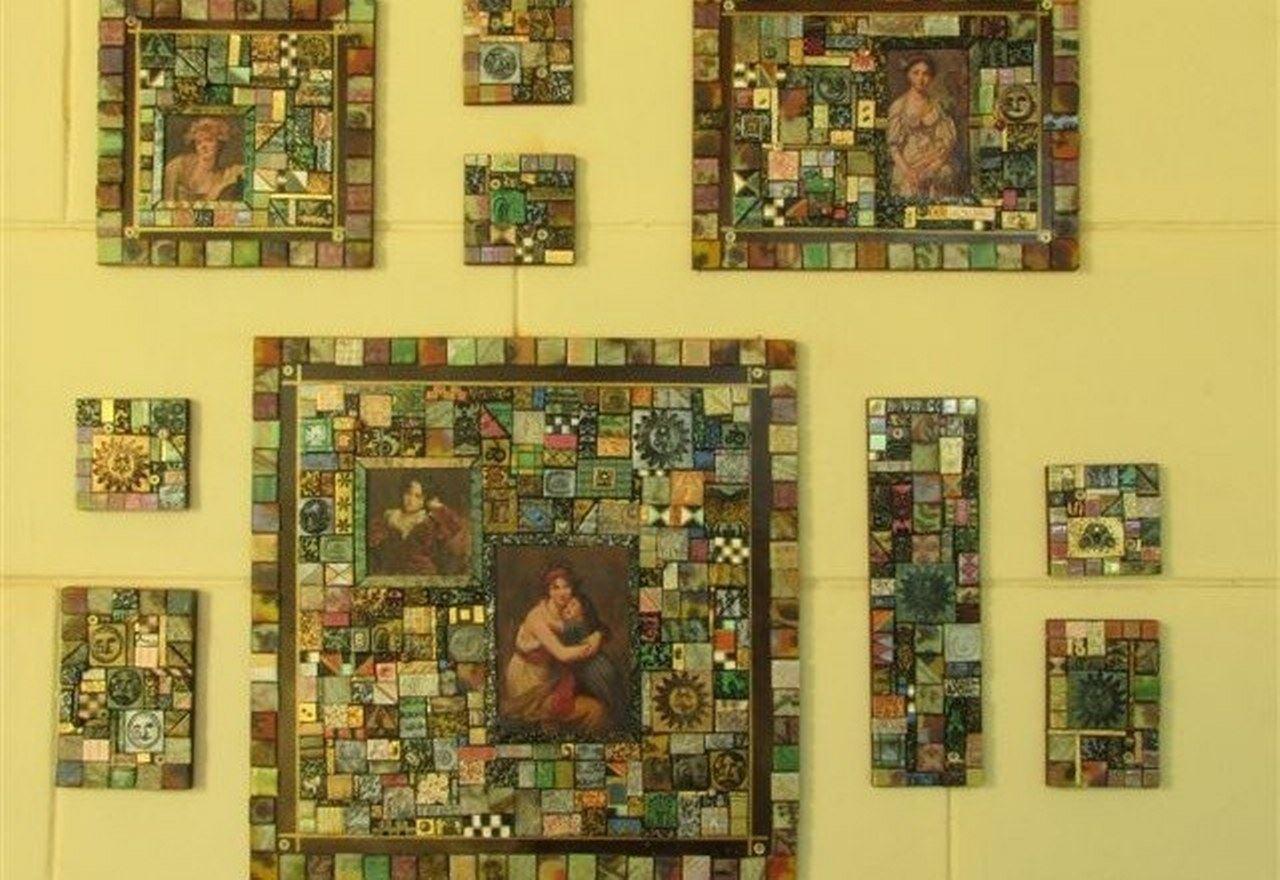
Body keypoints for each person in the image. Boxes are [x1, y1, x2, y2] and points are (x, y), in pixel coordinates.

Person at [502, 565, 609, 735]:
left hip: (551, 675)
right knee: (595, 710)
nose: (562, 593)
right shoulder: (537, 617)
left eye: (566, 586)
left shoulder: (569, 609)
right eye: (555, 587)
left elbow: (593, 624)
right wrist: (592, 646)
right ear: (548, 591)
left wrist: (598, 634)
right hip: (530, 682)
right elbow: (562, 654)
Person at [887, 55, 960, 200]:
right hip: (908, 165)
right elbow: (894, 147)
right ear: (908, 75)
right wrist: (908, 172)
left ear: (931, 77)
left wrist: (931, 168)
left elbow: (947, 144)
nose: (921, 79)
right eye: (916, 73)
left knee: (945, 175)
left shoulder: (938, 106)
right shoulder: (899, 106)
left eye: (926, 74)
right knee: (908, 191)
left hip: (934, 163)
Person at [367, 476, 470, 576]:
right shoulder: (390, 516)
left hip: (422, 574)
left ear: (426, 499)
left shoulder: (429, 520)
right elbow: (372, 543)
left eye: (418, 496)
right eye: (408, 493)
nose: (411, 500)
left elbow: (456, 529)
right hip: (392, 572)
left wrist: (438, 506)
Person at [163, 116, 245, 202]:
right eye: (199, 142)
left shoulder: (227, 175)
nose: (203, 146)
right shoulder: (179, 166)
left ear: (220, 144)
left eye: (209, 140)